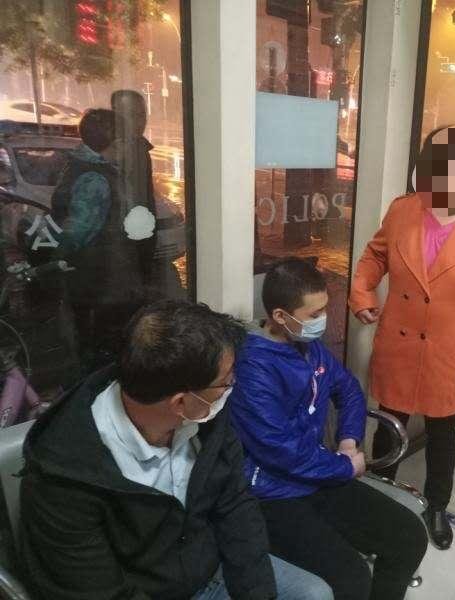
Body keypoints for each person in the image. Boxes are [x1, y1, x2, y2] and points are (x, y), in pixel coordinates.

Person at [19, 300, 333, 600]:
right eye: (226, 383)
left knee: (314, 593)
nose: (231, 388)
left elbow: (235, 505)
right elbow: (99, 592)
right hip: (147, 592)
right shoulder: (65, 478)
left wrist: (256, 594)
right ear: (180, 402)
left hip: (209, 566)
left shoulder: (204, 415)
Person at [349, 125, 455, 550]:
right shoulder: (403, 209)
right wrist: (362, 292)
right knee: (390, 423)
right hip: (400, 342)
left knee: (443, 431)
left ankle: (437, 506)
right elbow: (375, 255)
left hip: (451, 349)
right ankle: (380, 499)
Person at [229, 257, 428, 600]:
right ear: (281, 316)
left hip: (318, 474)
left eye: (324, 309)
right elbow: (280, 451)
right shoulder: (253, 368)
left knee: (409, 536)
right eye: (315, 314)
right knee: (351, 579)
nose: (324, 319)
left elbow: (348, 389)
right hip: (272, 494)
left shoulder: (309, 348)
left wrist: (349, 441)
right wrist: (345, 467)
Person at [49, 108, 153, 377]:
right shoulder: (95, 179)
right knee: (102, 349)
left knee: (95, 343)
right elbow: (76, 233)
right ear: (115, 143)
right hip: (102, 284)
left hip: (97, 283)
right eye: (125, 141)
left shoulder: (82, 167)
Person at [110, 89, 158, 282]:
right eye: (131, 115)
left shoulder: (141, 148)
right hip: (120, 240)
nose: (139, 121)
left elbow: (143, 195)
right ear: (116, 116)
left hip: (141, 234)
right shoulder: (109, 152)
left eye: (142, 114)